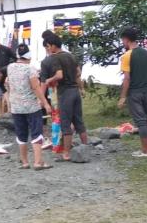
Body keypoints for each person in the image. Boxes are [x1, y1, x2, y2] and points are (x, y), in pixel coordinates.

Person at [41, 33, 88, 161]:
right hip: (75, 91)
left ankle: (66, 153)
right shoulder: (71, 56)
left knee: (66, 123)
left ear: (52, 46)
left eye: (47, 47)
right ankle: (85, 148)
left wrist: (49, 79)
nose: (48, 50)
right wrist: (81, 88)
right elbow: (78, 73)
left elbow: (60, 75)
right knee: (79, 122)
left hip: (65, 92)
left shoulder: (56, 58)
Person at [6, 44, 52, 170]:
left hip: (16, 106)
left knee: (21, 134)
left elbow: (8, 83)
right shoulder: (30, 69)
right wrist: (45, 103)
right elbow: (36, 88)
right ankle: (38, 162)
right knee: (36, 133)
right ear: (28, 56)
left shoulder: (10, 67)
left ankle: (25, 162)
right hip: (31, 106)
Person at [117, 28, 147, 157]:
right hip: (146, 90)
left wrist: (123, 97)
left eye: (122, 40)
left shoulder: (126, 56)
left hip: (134, 92)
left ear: (126, 39)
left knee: (141, 121)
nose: (123, 42)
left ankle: (145, 151)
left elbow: (127, 78)